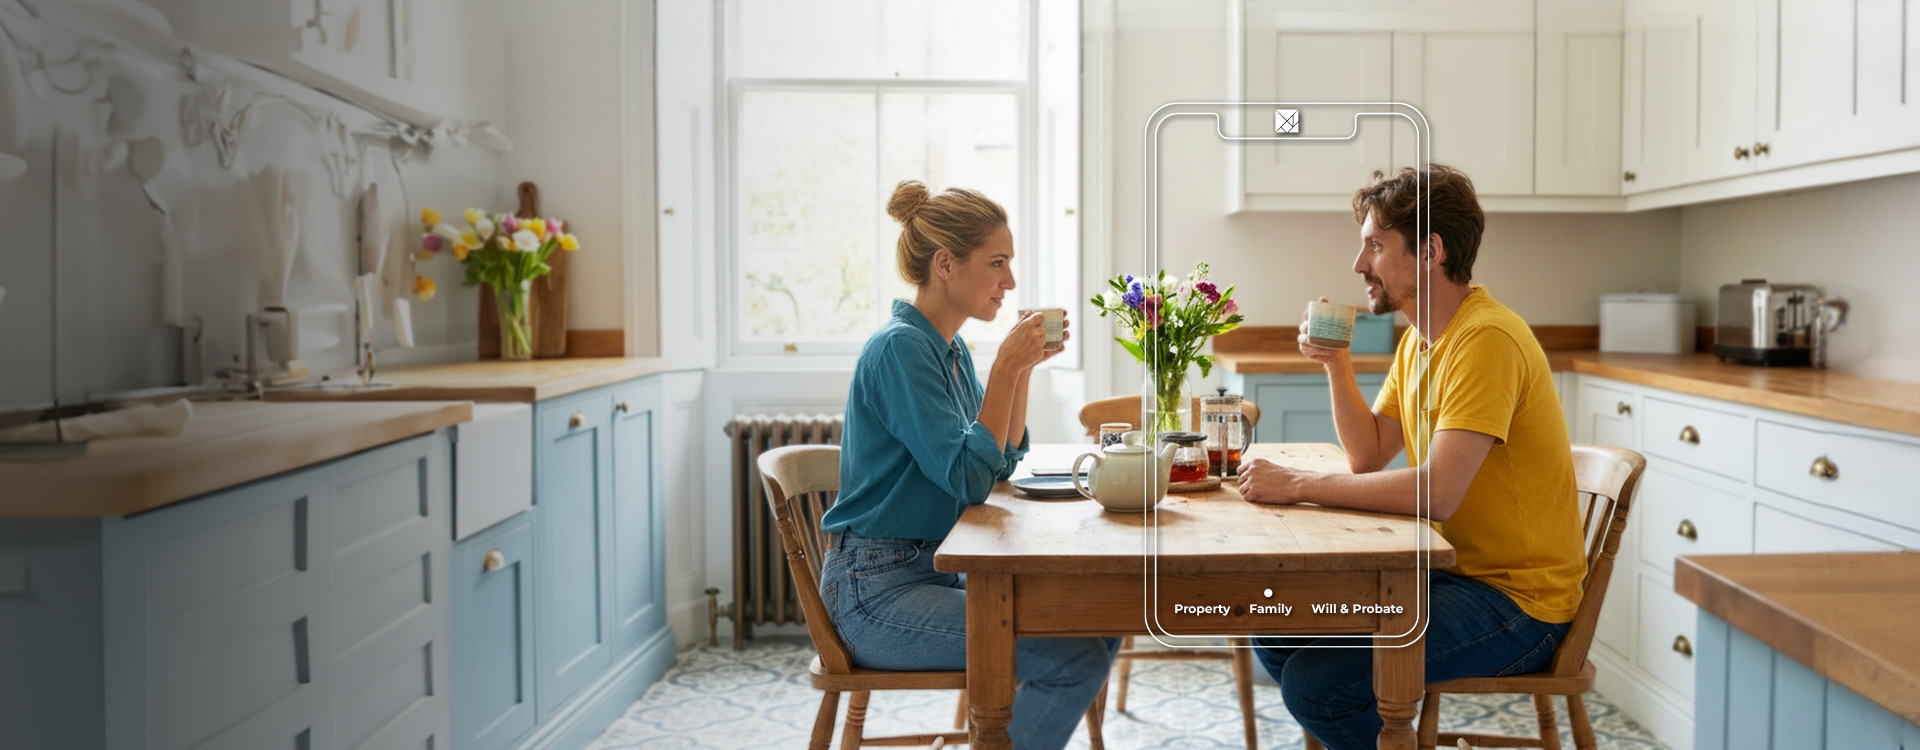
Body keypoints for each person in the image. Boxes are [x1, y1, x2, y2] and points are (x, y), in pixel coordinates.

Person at [1235, 165, 1587, 750]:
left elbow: (1438, 493)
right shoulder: (1422, 341)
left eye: (1375, 245)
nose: (1359, 264)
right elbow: (1369, 453)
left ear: (1429, 251)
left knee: (1319, 685)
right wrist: (1336, 363)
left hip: (1519, 605)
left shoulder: (1486, 341)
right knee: (1277, 629)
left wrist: (1297, 483)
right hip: (1454, 575)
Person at [817, 180, 1120, 750]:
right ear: (946, 265)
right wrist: (1004, 368)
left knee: (1099, 621)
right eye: (997, 263)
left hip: (932, 568)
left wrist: (1021, 371)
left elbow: (999, 463)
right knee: (1074, 659)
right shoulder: (901, 349)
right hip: (875, 592)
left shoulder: (948, 350)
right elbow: (966, 479)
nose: (1010, 281)